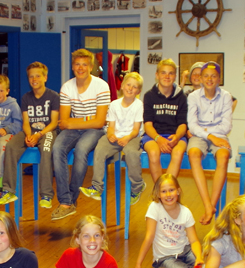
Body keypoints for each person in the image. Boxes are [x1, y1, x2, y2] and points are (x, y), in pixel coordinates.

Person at [51, 49, 111, 221]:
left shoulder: (101, 86)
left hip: (95, 130)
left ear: (91, 67)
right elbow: (64, 121)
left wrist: (74, 121)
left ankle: (70, 200)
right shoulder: (67, 87)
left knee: (81, 149)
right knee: (57, 148)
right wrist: (88, 119)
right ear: (72, 66)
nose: (80, 68)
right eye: (77, 64)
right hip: (75, 129)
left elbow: (100, 123)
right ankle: (65, 202)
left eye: (84, 65)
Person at [81, 71, 145, 205]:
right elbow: (111, 126)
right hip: (115, 136)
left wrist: (127, 138)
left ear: (138, 91)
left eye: (134, 87)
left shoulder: (138, 105)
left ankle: (137, 186)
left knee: (131, 152)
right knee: (100, 149)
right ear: (122, 86)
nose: (130, 88)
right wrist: (110, 134)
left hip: (131, 136)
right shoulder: (114, 104)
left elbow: (135, 130)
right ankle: (97, 187)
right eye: (128, 85)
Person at [2, 62, 60, 207]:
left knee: (46, 150)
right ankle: (8, 190)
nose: (34, 79)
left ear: (45, 77)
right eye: (31, 76)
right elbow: (26, 122)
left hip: (47, 131)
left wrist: (38, 135)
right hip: (30, 131)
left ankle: (46, 194)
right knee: (10, 147)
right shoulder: (26, 98)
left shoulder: (53, 96)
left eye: (38, 76)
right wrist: (28, 136)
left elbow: (54, 123)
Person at [126, 174, 203, 268]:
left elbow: (194, 240)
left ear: (178, 191)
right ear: (158, 194)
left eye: (171, 190)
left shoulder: (186, 212)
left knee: (203, 264)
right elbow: (149, 237)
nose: (168, 195)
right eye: (163, 191)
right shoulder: (154, 208)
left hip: (185, 251)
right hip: (165, 257)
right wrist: (138, 264)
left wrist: (199, 257)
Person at [186, 62, 234, 225]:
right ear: (200, 79)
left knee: (223, 156)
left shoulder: (226, 96)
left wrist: (207, 132)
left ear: (219, 79)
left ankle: (211, 206)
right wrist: (209, 135)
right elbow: (192, 125)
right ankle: (207, 204)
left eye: (213, 76)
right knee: (193, 153)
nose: (209, 79)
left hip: (219, 135)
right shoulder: (193, 96)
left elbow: (226, 126)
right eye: (206, 76)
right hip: (201, 136)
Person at [142, 58, 189, 184]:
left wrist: (177, 137)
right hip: (153, 135)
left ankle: (166, 188)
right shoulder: (149, 96)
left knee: (178, 152)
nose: (167, 76)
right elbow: (148, 125)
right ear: (157, 75)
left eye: (171, 73)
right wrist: (158, 138)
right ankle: (161, 190)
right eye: (163, 73)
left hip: (175, 136)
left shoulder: (181, 97)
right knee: (153, 152)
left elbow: (182, 124)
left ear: (175, 77)